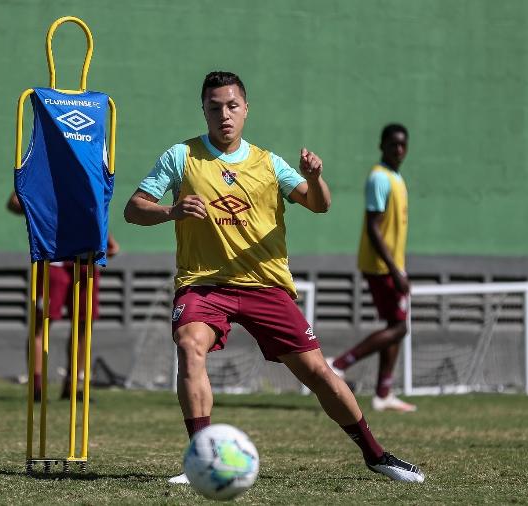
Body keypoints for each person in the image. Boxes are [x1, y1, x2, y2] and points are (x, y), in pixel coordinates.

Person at [123, 72, 424, 483]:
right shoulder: (181, 156)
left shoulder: (268, 163)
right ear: (204, 110)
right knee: (189, 345)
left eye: (232, 106)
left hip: (265, 286)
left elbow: (320, 205)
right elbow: (134, 208)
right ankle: (203, 457)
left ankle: (376, 455)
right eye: (215, 107)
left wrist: (315, 177)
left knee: (318, 372)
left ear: (246, 109)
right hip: (204, 285)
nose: (224, 115)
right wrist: (171, 211)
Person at [328, 124, 417, 413]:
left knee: (396, 326)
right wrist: (394, 271)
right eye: (393, 144)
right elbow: (373, 228)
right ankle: (339, 364)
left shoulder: (396, 177)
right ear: (382, 146)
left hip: (391, 266)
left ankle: (383, 393)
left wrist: (399, 268)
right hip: (380, 266)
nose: (399, 149)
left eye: (403, 145)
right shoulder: (379, 178)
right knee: (400, 326)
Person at [7, 192, 120, 400]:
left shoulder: (89, 166)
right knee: (42, 323)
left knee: (84, 324)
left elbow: (94, 209)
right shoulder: (46, 166)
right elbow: (15, 202)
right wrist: (45, 208)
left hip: (86, 258)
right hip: (55, 258)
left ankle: (72, 385)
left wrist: (107, 237)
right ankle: (37, 386)